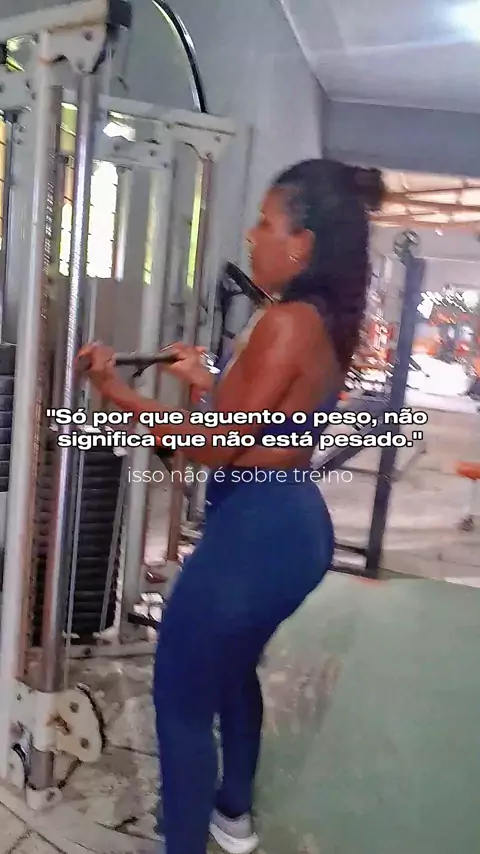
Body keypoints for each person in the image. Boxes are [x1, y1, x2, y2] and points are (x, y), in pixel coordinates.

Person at [76, 159, 385, 854]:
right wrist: (205, 379)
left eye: (266, 223)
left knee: (181, 698)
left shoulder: (287, 324)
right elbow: (265, 417)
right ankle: (232, 815)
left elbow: (213, 445)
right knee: (232, 668)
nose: (252, 235)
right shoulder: (318, 321)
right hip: (284, 523)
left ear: (302, 244)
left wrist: (116, 392)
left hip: (258, 533)